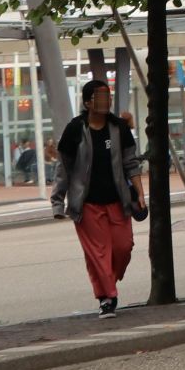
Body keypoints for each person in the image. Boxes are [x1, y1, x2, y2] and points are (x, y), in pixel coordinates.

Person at [50, 79, 146, 317]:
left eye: (108, 96)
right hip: (88, 205)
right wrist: (57, 201)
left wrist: (140, 192)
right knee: (99, 253)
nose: (106, 101)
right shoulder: (74, 130)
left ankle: (107, 284)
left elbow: (130, 164)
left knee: (123, 247)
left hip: (118, 201)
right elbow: (64, 169)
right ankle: (107, 298)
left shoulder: (119, 128)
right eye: (100, 97)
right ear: (87, 102)